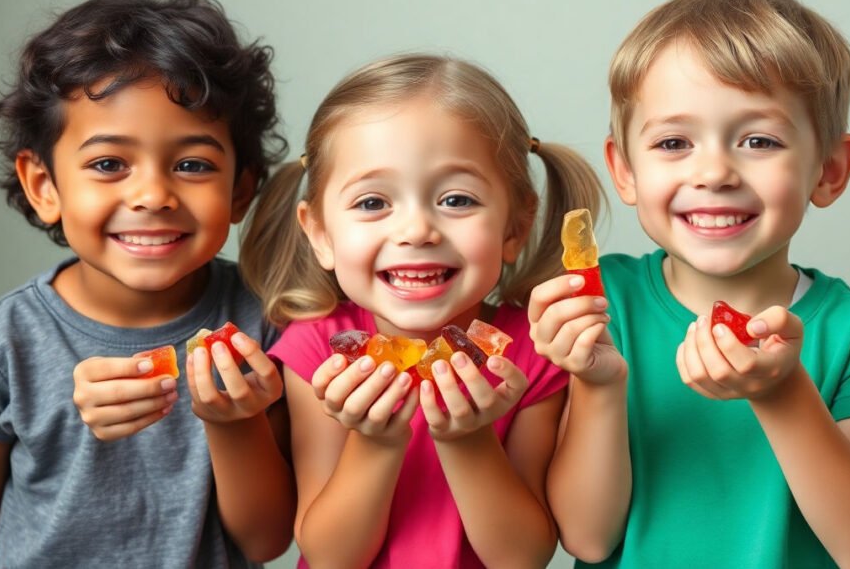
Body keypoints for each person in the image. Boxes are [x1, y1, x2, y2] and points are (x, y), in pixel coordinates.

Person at [529, 0, 850, 568]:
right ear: (625, 171)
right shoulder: (599, 301)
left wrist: (781, 393)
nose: (715, 171)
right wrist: (598, 384)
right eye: (674, 142)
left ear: (828, 170)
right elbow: (587, 538)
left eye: (758, 140)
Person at [0, 0, 295, 568]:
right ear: (44, 185)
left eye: (193, 164)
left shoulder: (266, 327)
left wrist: (237, 421)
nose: (152, 195)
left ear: (241, 190)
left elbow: (267, 541)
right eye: (108, 164)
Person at [223, 53, 603, 568]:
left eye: (456, 200)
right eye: (373, 203)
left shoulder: (532, 353)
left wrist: (467, 438)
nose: (417, 230)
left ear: (514, 228)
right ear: (320, 234)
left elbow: (522, 557)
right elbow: (331, 557)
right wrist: (375, 442)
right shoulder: (317, 349)